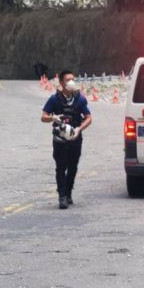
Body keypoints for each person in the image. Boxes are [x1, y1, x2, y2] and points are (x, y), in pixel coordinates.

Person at [41, 71, 92, 209]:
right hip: (59, 139)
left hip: (75, 137)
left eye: (73, 79)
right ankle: (62, 196)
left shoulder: (80, 99)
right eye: (68, 80)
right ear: (62, 83)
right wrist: (53, 118)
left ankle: (69, 192)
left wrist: (79, 129)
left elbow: (89, 117)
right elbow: (43, 116)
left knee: (73, 167)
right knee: (61, 167)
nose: (72, 82)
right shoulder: (54, 99)